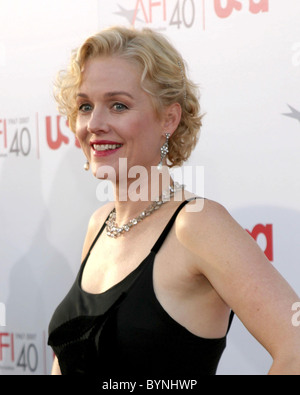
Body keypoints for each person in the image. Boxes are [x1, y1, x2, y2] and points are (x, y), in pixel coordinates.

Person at [48, 26, 300, 377]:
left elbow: (296, 348)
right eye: (85, 106)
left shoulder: (196, 224)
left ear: (169, 118)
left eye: (118, 105)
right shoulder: (100, 225)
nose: (95, 124)